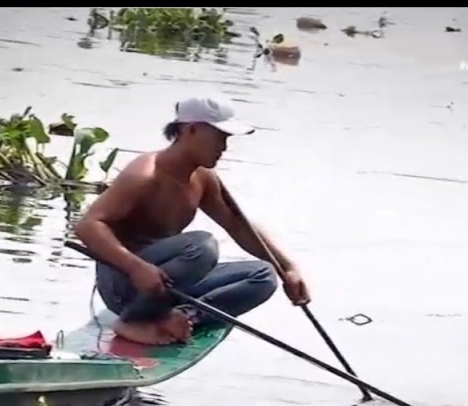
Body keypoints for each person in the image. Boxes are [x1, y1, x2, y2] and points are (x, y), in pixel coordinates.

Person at [73, 95, 311, 346]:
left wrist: (288, 269)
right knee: (202, 246)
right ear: (192, 130)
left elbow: (237, 225)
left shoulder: (204, 178)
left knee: (263, 275)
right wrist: (135, 267)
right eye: (219, 137)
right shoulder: (144, 174)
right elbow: (87, 226)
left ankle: (183, 317)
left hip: (166, 285)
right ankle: (133, 321)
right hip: (124, 285)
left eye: (226, 139)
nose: (224, 148)